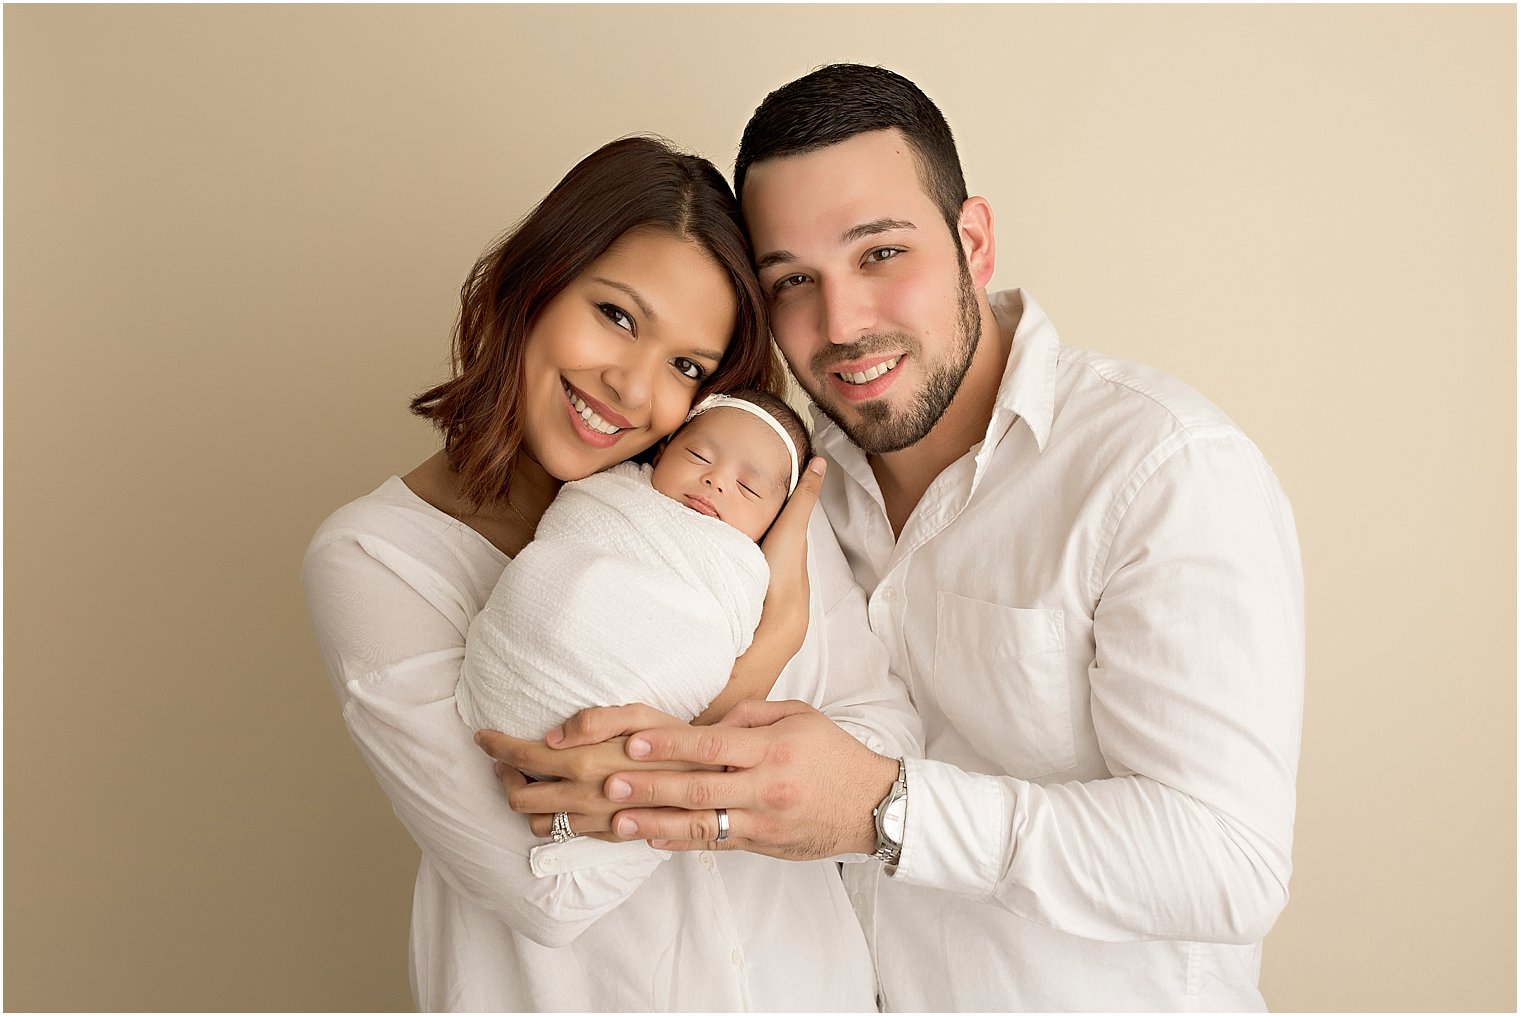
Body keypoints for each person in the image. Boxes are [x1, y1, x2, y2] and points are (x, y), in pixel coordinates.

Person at [486, 66, 1306, 1012]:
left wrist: (884, 807)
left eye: (879, 255)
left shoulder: (1162, 469)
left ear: (973, 242)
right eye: (793, 280)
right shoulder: (765, 481)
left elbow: (1229, 864)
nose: (842, 324)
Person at [302, 135, 919, 1011]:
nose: (633, 388)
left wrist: (628, 790)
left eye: (686, 366)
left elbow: (888, 746)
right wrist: (760, 661)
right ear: (536, 282)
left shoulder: (732, 491)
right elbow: (552, 892)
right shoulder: (378, 559)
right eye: (618, 316)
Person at [457, 390, 814, 744]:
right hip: (514, 664)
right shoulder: (611, 492)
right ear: (662, 452)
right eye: (698, 455)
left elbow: (716, 635)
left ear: (777, 519)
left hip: (626, 717)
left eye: (747, 488)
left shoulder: (742, 565)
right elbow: (565, 537)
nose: (715, 480)